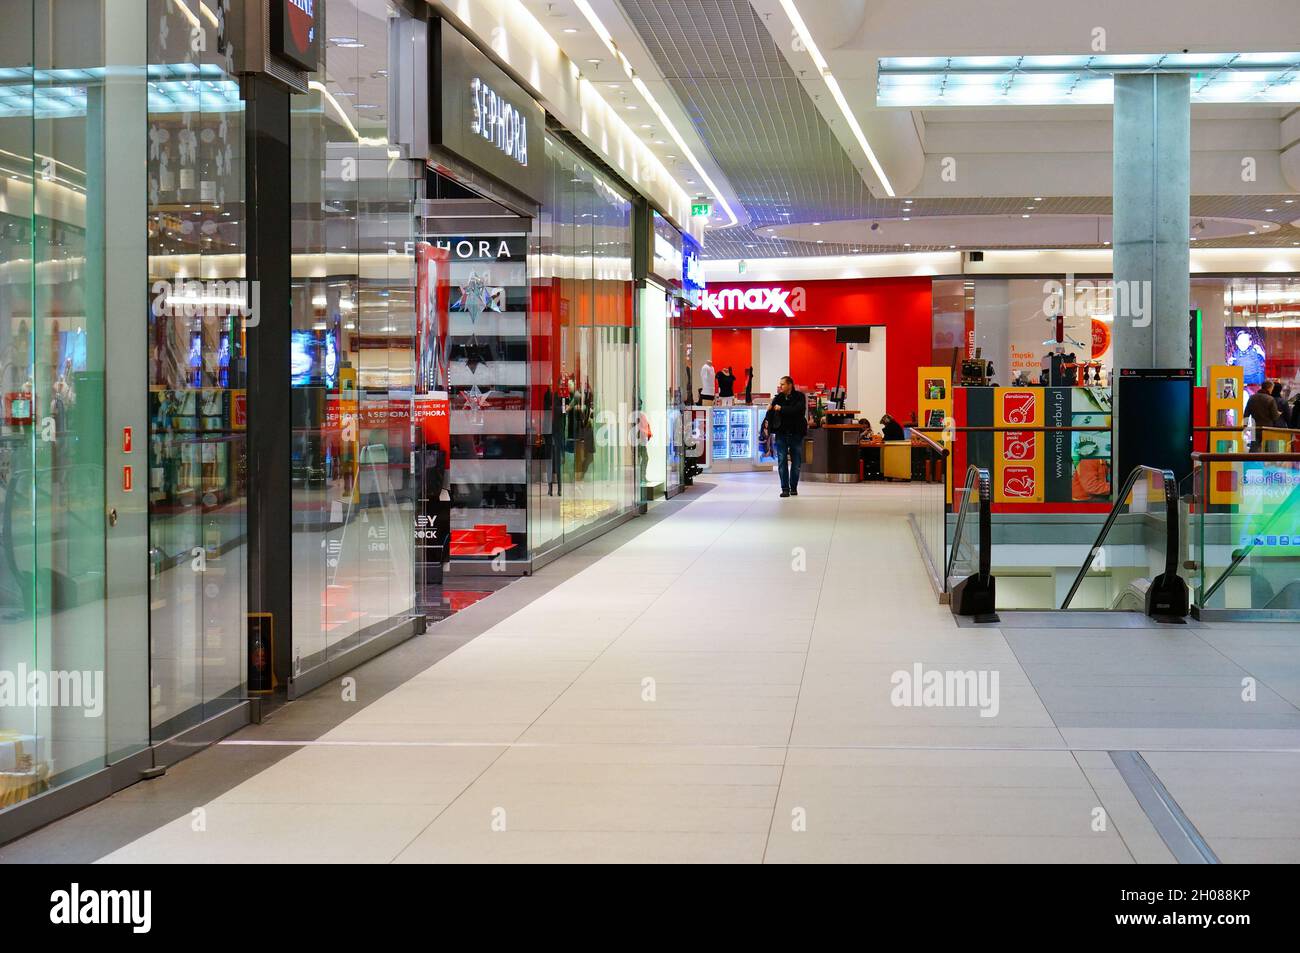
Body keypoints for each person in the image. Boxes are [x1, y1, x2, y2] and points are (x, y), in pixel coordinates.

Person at [766, 375, 807, 498]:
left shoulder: (799, 396)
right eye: (780, 384)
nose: (780, 386)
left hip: (796, 433)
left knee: (796, 462)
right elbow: (771, 413)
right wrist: (770, 409)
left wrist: (781, 408)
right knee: (782, 461)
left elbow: (798, 410)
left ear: (790, 385)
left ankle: (793, 487)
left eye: (783, 384)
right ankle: (785, 488)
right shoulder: (778, 397)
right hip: (781, 434)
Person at [1246, 382, 1282, 451]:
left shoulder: (1252, 398)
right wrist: (1278, 414)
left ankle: (1252, 461)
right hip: (1268, 429)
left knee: (1254, 450)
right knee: (1270, 451)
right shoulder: (1270, 399)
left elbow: (1246, 414)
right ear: (1269, 388)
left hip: (1255, 428)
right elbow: (1275, 417)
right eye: (1272, 388)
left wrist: (1245, 426)